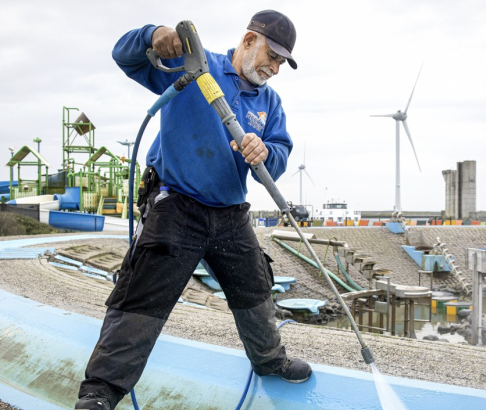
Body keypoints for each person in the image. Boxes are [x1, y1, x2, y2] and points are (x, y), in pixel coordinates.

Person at [75, 10, 310, 410]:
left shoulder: (270, 102)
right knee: (143, 296)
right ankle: (101, 391)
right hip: (177, 203)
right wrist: (153, 36)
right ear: (249, 40)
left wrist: (265, 151)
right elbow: (124, 56)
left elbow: (279, 156)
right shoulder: (194, 65)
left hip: (231, 213)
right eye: (272, 55)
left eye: (282, 62)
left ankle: (269, 361)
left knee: (254, 288)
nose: (275, 67)